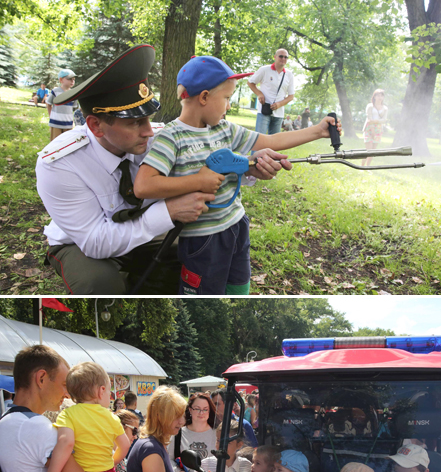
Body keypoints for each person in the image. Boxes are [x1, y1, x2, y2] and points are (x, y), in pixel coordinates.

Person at [36, 45, 297, 296]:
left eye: (149, 117)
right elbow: (96, 240)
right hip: (81, 244)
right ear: (96, 126)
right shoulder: (59, 164)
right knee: (100, 286)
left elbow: (209, 163)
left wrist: (251, 167)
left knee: (192, 258)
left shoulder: (160, 138)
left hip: (145, 231)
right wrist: (169, 211)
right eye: (136, 122)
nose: (149, 131)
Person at [134, 55, 340, 295]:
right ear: (204, 97)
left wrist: (317, 131)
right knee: (205, 297)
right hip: (203, 240)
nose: (229, 106)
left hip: (237, 225)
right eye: (226, 98)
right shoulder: (172, 137)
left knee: (239, 289)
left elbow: (270, 140)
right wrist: (199, 181)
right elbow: (143, 186)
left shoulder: (225, 129)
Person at [248, 49, 295, 135]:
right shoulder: (264, 70)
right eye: (281, 56)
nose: (283, 58)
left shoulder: (289, 74)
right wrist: (259, 93)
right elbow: (250, 82)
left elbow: (291, 96)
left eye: (286, 57)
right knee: (259, 139)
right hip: (264, 110)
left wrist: (279, 104)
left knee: (274, 143)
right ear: (275, 57)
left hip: (279, 114)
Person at [46, 69, 76, 141]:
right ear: (61, 80)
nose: (72, 81)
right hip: (56, 123)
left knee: (66, 143)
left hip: (68, 123)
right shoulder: (55, 91)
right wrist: (51, 116)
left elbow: (75, 108)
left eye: (74, 79)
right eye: (69, 79)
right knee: (55, 143)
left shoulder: (74, 93)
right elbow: (48, 103)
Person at [361, 89, 388, 167]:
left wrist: (375, 121)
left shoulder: (385, 108)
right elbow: (369, 119)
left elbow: (384, 120)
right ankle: (362, 166)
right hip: (369, 128)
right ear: (374, 96)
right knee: (368, 150)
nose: (380, 97)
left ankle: (368, 166)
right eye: (378, 95)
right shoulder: (370, 106)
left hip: (378, 129)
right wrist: (372, 129)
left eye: (381, 95)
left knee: (373, 151)